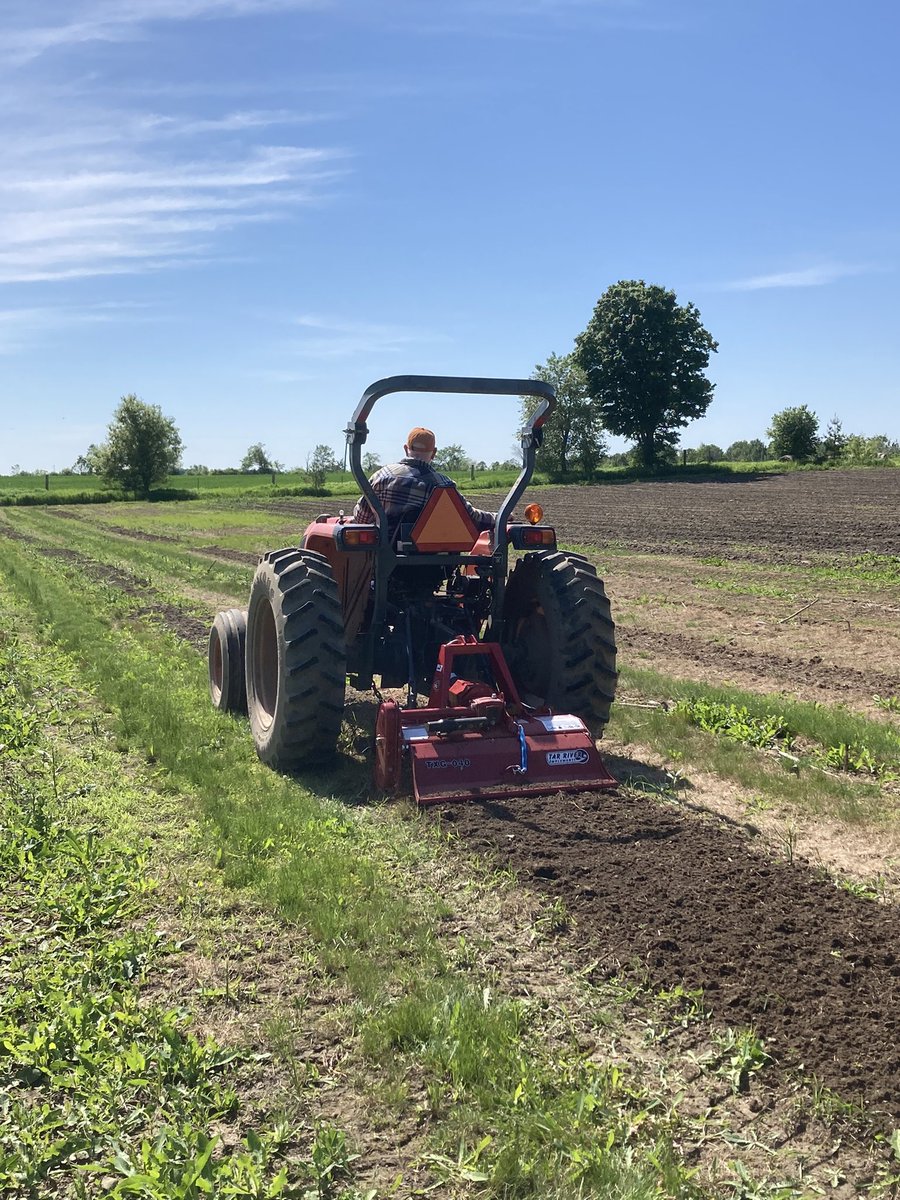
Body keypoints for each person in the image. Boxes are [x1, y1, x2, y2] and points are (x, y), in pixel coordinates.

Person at [353, 426, 496, 540]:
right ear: (433, 453)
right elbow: (471, 518)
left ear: (405, 449)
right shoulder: (444, 484)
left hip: (386, 562)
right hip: (434, 565)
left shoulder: (382, 476)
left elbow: (362, 518)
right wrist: (499, 517)